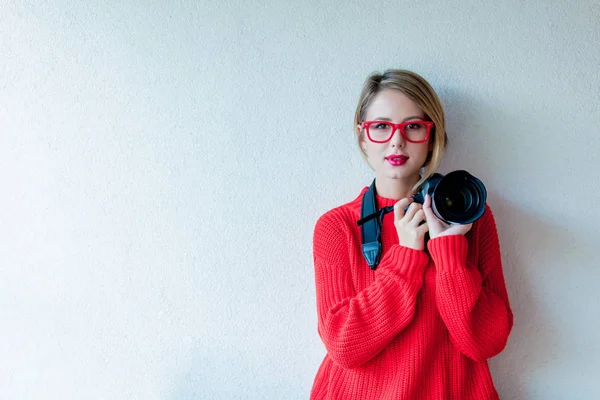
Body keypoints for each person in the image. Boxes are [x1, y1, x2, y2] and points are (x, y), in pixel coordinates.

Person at [310, 69, 513, 400]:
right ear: (362, 135)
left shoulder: (469, 216)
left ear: (432, 136)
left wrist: (449, 250)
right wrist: (406, 258)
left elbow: (485, 342)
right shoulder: (339, 226)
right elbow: (344, 346)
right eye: (381, 126)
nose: (396, 140)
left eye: (413, 126)